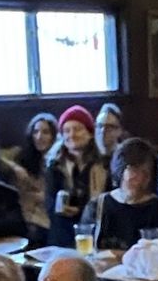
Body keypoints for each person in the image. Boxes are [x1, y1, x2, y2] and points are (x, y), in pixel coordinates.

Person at [82, 137, 158, 251]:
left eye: (144, 172)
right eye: (133, 169)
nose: (138, 178)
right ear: (121, 169)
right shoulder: (98, 206)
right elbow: (86, 247)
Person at [45, 106, 112, 249]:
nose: (72, 135)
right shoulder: (54, 167)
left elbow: (107, 203)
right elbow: (49, 204)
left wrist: (81, 211)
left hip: (95, 234)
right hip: (62, 236)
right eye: (66, 131)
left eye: (77, 129)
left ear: (90, 133)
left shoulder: (104, 166)